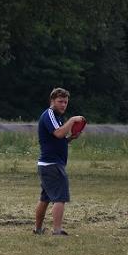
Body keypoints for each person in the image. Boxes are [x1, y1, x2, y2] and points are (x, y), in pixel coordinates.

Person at [33, 88, 85, 236]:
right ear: (52, 101)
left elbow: (58, 139)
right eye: (60, 101)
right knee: (60, 197)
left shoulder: (57, 117)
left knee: (45, 198)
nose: (63, 105)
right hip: (52, 164)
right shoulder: (49, 114)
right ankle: (57, 231)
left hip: (49, 165)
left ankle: (38, 229)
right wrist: (72, 120)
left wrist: (70, 138)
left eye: (65, 102)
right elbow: (58, 133)